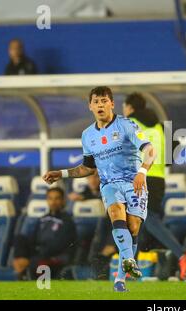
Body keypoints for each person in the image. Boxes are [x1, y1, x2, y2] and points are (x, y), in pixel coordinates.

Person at [43, 86, 156, 292]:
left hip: (134, 182)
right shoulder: (87, 135)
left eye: (104, 101)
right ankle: (129, 261)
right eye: (96, 101)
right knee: (115, 212)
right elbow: (87, 168)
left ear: (112, 104)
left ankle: (120, 279)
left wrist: (142, 172)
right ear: (90, 106)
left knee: (133, 227)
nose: (100, 105)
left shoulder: (126, 125)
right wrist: (62, 174)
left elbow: (150, 150)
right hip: (109, 184)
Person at [123, 92, 186, 280]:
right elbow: (176, 148)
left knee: (148, 219)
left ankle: (182, 254)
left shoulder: (129, 123)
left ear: (130, 108)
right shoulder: (160, 126)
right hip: (158, 179)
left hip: (139, 178)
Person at [12, 187, 76, 280]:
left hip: (54, 255)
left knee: (35, 262)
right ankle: (20, 264)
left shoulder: (67, 221)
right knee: (19, 238)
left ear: (63, 200)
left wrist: (30, 260)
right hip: (39, 253)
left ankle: (22, 272)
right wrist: (22, 256)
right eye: (50, 198)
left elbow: (58, 245)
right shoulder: (43, 219)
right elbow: (33, 239)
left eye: (57, 198)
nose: (53, 202)